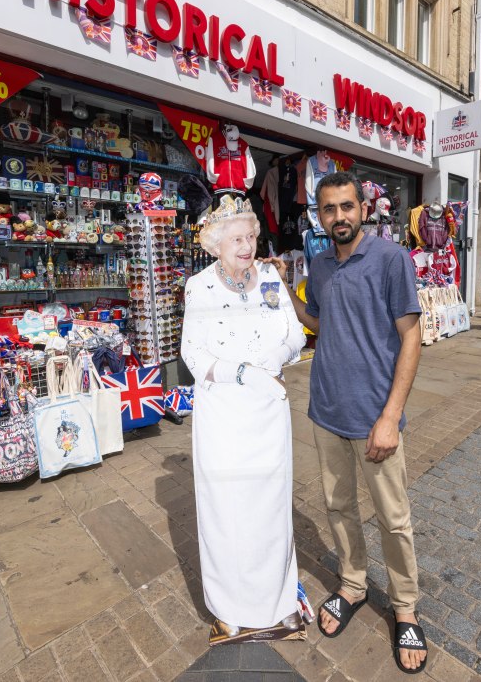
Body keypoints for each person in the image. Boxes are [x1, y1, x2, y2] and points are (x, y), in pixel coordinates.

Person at [266, 172, 428, 674]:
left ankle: (405, 607)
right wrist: (281, 284)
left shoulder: (389, 259)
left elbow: (411, 336)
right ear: (319, 215)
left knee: (393, 519)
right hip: (326, 410)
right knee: (338, 507)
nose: (338, 217)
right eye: (328, 209)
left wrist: (391, 416)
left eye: (346, 207)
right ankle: (353, 584)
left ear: (363, 209)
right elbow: (316, 320)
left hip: (374, 416)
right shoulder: (318, 263)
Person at [180, 195, 307, 636]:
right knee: (226, 510)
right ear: (216, 244)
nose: (247, 246)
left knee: (270, 508)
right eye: (236, 238)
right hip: (223, 414)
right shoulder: (199, 285)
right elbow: (191, 353)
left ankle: (277, 602)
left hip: (268, 411)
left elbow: (294, 333)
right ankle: (230, 608)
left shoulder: (270, 278)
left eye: (251, 236)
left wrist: (271, 359)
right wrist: (243, 374)